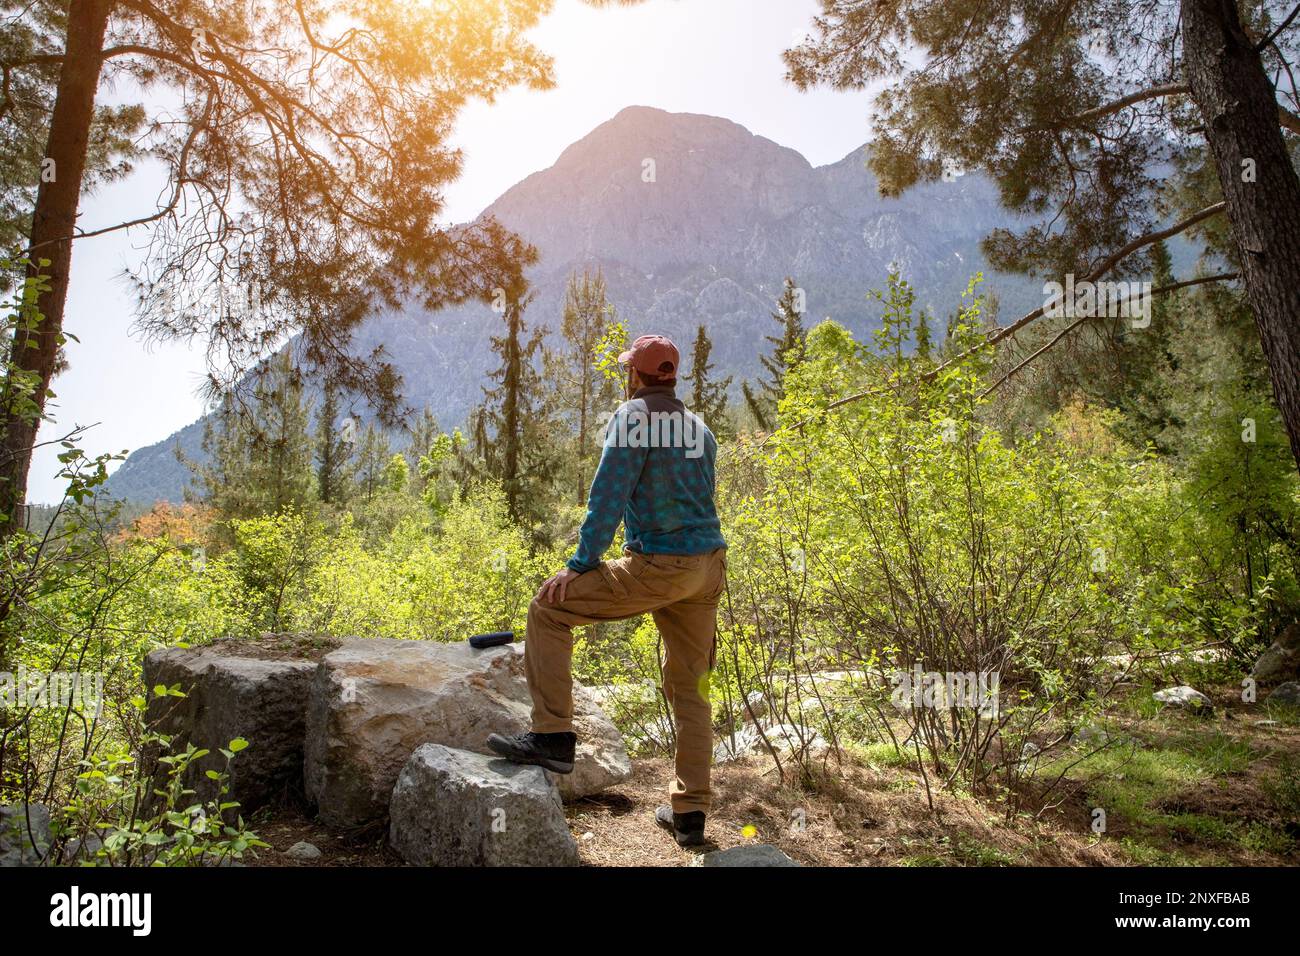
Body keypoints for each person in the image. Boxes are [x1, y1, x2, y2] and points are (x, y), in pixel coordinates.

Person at [487, 334, 728, 847]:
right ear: (671, 376)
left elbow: (608, 497)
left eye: (628, 372)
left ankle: (552, 736)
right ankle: (690, 814)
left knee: (548, 610)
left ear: (635, 376)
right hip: (707, 566)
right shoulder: (700, 429)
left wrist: (580, 565)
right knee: (692, 689)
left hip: (661, 564)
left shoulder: (633, 418)